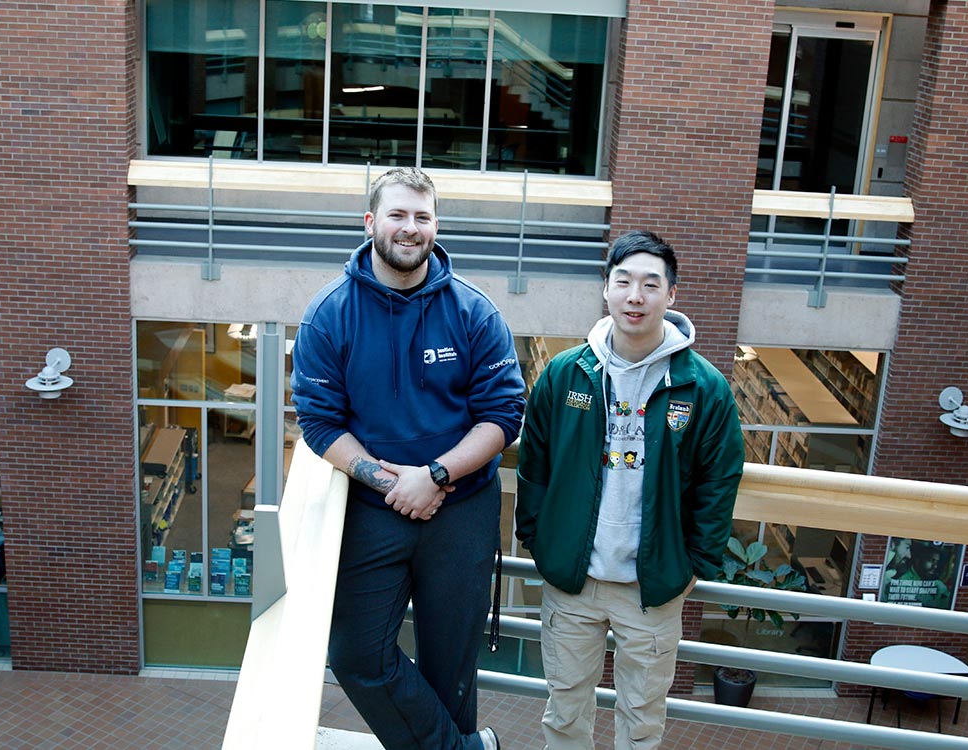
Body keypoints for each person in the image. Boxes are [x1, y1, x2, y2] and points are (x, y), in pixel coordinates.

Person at [292, 167, 525, 750]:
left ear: (435, 226)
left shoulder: (474, 313)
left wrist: (436, 476)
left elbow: (503, 416)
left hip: (462, 510)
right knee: (357, 655)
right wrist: (387, 480)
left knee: (451, 672)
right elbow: (320, 423)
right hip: (374, 510)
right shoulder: (330, 314)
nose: (410, 227)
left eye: (422, 217)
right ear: (371, 222)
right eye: (397, 214)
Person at [515, 230, 744, 750]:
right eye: (623, 282)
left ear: (670, 295)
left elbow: (718, 480)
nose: (634, 296)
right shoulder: (565, 373)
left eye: (649, 284)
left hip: (654, 587)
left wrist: (696, 566)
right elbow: (535, 462)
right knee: (565, 710)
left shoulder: (703, 387)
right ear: (607, 289)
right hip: (573, 579)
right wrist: (539, 539)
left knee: (642, 720)